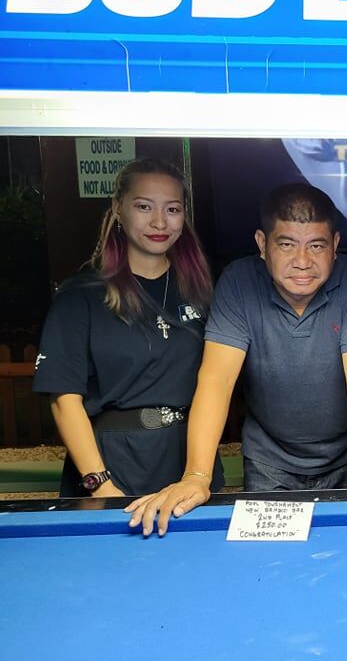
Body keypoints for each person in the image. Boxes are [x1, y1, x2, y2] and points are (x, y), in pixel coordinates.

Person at [128, 183, 347, 535]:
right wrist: (196, 475)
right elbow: (217, 381)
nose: (302, 262)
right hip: (269, 462)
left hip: (345, 459)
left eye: (317, 246)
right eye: (287, 244)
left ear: (335, 246)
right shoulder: (239, 282)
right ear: (263, 244)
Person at [33, 157, 225, 498]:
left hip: (187, 460)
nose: (159, 221)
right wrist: (100, 483)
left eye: (173, 209)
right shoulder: (81, 296)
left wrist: (197, 474)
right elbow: (64, 400)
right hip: (110, 462)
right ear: (118, 209)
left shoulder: (201, 291)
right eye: (144, 206)